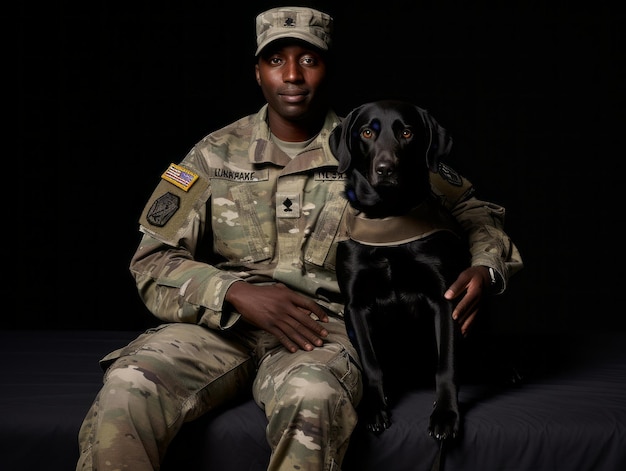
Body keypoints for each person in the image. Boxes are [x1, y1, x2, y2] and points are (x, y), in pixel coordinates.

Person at [77, 5, 523, 470]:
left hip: (321, 333)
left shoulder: (370, 142)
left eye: (308, 59)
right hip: (219, 328)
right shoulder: (210, 154)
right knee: (130, 384)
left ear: (328, 69)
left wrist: (488, 268)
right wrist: (234, 291)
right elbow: (150, 261)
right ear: (257, 72)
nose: (292, 75)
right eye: (276, 60)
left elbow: (474, 211)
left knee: (314, 398)